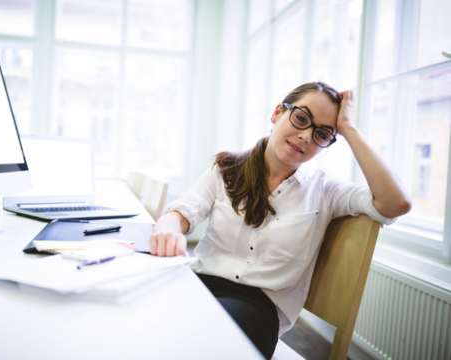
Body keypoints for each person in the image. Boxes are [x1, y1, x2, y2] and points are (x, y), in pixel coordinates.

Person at [148, 82, 412, 359]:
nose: (306, 137)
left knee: (204, 341)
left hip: (256, 307)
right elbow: (185, 210)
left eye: (322, 133)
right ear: (277, 113)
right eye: (301, 118)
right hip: (199, 285)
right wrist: (168, 226)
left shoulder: (325, 191)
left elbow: (395, 203)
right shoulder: (226, 169)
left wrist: (348, 130)